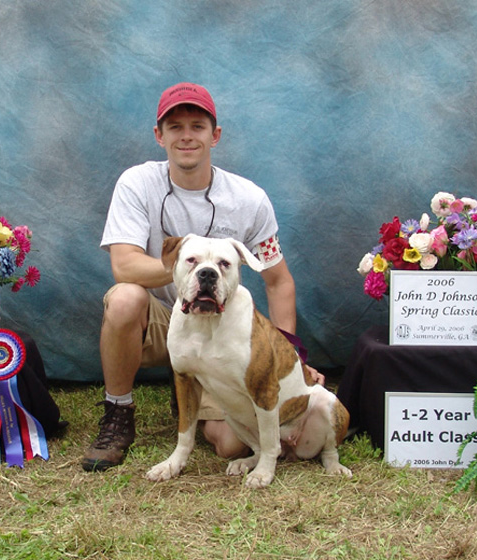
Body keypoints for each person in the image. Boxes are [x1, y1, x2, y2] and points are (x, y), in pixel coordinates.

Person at [83, 82, 324, 472]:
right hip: (161, 318)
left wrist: (292, 355)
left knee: (230, 446)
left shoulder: (249, 198)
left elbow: (279, 281)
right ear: (159, 136)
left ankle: (194, 388)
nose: (187, 136)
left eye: (197, 126)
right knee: (125, 296)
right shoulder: (137, 183)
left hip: (222, 330)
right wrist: (189, 269)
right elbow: (124, 265)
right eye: (175, 127)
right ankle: (118, 413)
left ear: (216, 135)